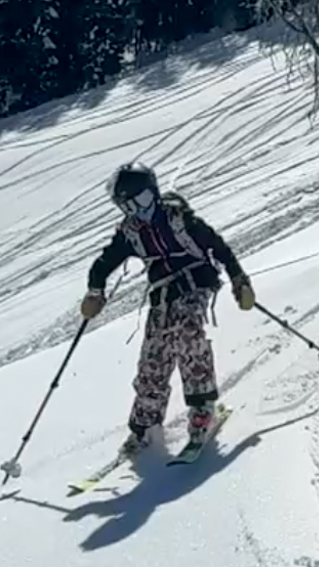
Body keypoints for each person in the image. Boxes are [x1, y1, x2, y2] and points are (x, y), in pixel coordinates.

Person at [81, 162, 255, 457]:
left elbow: (219, 247)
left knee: (187, 333)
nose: (141, 209)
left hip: (196, 281)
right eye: (131, 205)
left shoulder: (180, 219)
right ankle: (146, 423)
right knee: (154, 353)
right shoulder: (130, 233)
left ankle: (202, 407)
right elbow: (103, 264)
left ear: (155, 193)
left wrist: (240, 280)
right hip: (163, 293)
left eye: (145, 200)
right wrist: (95, 292)